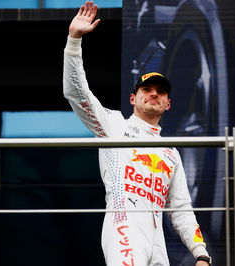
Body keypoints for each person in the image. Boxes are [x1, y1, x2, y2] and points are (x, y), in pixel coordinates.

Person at [63, 1, 212, 265]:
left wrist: (200, 253)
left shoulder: (171, 153)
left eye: (161, 92)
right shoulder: (113, 125)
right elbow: (77, 93)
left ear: (168, 104)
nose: (154, 93)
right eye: (147, 90)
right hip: (124, 226)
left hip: (157, 241)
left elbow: (181, 209)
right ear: (133, 99)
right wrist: (74, 40)